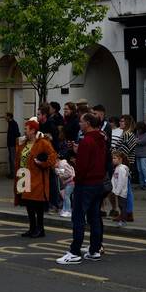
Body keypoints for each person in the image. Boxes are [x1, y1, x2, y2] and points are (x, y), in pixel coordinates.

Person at [57, 112, 107, 264]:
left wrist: (76, 178)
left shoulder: (87, 141)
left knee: (78, 217)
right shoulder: (102, 138)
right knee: (95, 217)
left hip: (85, 184)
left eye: (81, 122)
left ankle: (74, 252)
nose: (79, 124)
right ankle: (94, 249)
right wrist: (80, 151)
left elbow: (83, 165)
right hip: (99, 183)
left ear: (88, 124)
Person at [14, 117, 56, 238]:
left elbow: (53, 156)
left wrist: (42, 164)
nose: (24, 131)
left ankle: (40, 229)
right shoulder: (24, 142)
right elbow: (19, 157)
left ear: (33, 130)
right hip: (23, 175)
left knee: (37, 204)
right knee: (28, 204)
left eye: (26, 129)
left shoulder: (43, 142)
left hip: (36, 177)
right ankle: (32, 228)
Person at [110, 151, 130, 228]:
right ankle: (121, 219)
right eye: (112, 158)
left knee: (122, 206)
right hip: (118, 191)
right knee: (121, 206)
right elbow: (114, 179)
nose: (113, 160)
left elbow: (121, 182)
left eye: (115, 158)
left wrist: (117, 192)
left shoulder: (121, 169)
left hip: (122, 192)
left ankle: (123, 221)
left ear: (120, 159)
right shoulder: (117, 168)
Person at [133, 121, 146, 190]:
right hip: (138, 154)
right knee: (139, 170)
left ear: (143, 128)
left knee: (144, 169)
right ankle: (141, 184)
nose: (138, 130)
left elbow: (142, 142)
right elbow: (135, 139)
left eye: (139, 129)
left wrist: (136, 140)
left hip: (145, 154)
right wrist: (136, 140)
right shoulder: (138, 133)